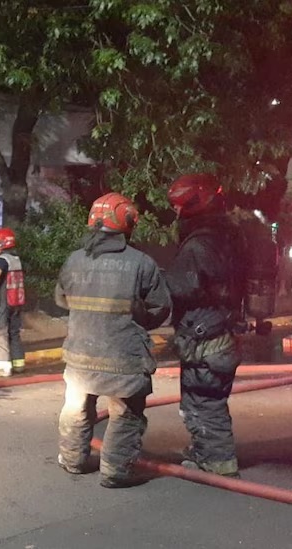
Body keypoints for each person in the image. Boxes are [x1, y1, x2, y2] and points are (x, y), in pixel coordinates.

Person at [55, 192, 172, 488]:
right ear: (128, 223)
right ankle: (115, 471)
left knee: (76, 407)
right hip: (124, 358)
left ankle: (73, 460)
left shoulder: (74, 260)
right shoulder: (141, 263)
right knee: (125, 413)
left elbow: (61, 298)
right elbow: (161, 308)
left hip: (80, 354)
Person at [165, 173, 243, 478]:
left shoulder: (198, 246)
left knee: (203, 400)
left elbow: (179, 288)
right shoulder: (229, 238)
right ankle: (207, 451)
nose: (176, 213)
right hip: (223, 334)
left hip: (204, 340)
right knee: (209, 399)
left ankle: (218, 461)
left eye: (179, 207)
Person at [0, 228, 27, 377]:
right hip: (16, 302)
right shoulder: (15, 259)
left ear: (2, 244)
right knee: (13, 333)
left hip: (1, 302)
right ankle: (18, 364)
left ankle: (2, 367)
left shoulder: (1, 260)